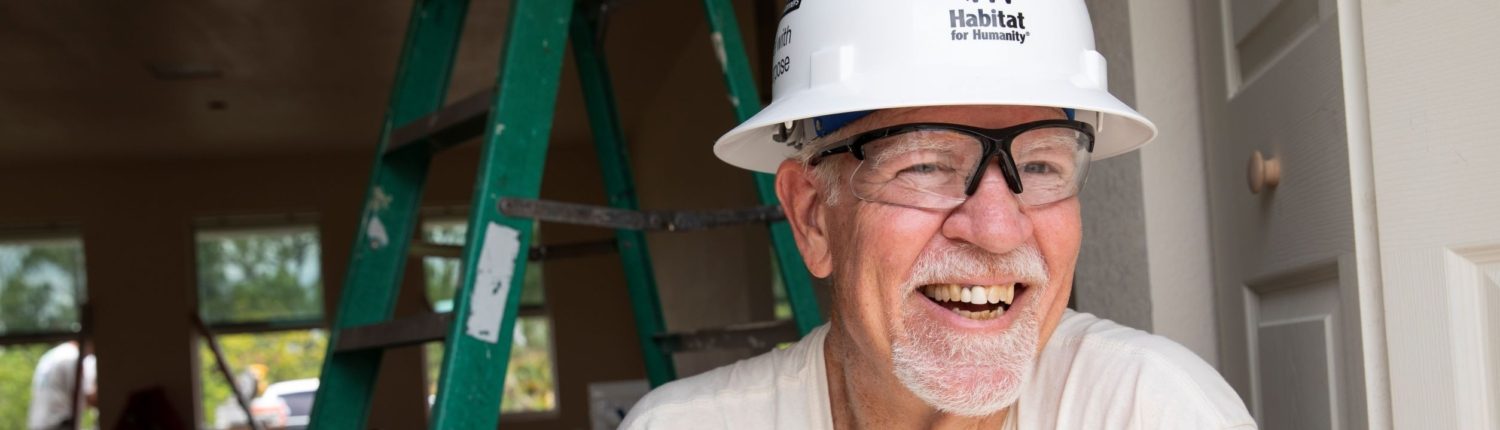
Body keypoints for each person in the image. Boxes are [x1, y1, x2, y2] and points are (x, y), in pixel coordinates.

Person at [622, 1, 1256, 429]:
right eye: (924, 166)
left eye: (1039, 167)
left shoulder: (1152, 410)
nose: (999, 229)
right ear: (815, 218)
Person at [28, 341, 96, 430]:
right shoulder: (73, 357)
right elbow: (88, 397)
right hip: (59, 424)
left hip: (39, 424)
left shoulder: (53, 355)